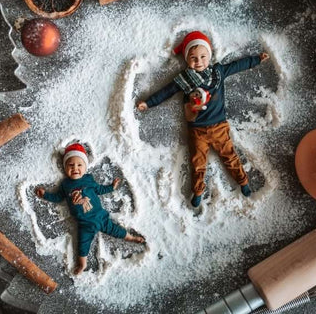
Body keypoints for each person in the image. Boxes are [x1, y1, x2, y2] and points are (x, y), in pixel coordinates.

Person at [136, 31, 269, 207]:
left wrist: (257, 59)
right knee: (197, 163)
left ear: (210, 55)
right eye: (193, 58)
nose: (199, 61)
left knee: (230, 156)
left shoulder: (218, 72)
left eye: (203, 56)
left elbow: (238, 65)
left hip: (219, 126)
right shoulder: (184, 79)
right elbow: (166, 91)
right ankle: (198, 191)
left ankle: (243, 181)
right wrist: (149, 103)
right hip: (196, 129)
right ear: (186, 59)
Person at [36, 143, 145, 274]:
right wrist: (45, 195)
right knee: (82, 245)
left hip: (101, 217)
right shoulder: (65, 184)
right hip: (84, 224)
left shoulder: (88, 179)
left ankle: (131, 238)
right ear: (65, 167)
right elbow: (58, 197)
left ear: (85, 167)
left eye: (79, 165)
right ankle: (82, 264)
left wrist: (111, 187)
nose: (75, 168)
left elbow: (99, 189)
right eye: (70, 165)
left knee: (117, 230)